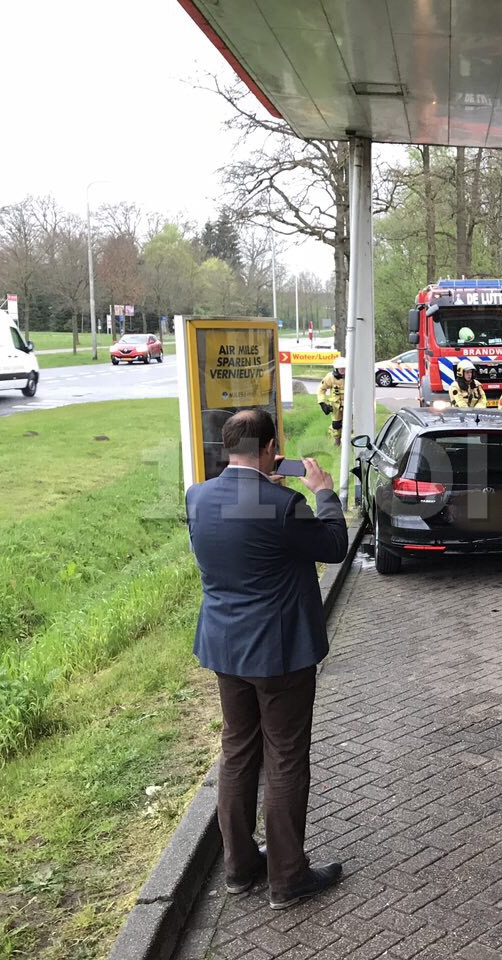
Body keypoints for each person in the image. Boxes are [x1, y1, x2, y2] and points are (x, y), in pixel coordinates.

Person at [185, 409, 349, 911]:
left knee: (237, 751)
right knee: (284, 755)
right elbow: (336, 546)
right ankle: (287, 876)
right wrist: (322, 491)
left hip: (224, 649)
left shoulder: (198, 496)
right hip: (279, 653)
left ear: (227, 447)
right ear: (269, 448)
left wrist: (261, 484)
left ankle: (238, 868)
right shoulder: (283, 504)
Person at [317, 357, 346, 446]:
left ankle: (347, 443)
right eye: (340, 369)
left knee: (349, 423)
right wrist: (322, 403)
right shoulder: (330, 377)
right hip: (335, 406)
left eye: (344, 368)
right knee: (336, 424)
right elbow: (321, 389)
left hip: (349, 405)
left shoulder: (351, 376)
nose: (342, 370)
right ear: (336, 368)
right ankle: (337, 442)